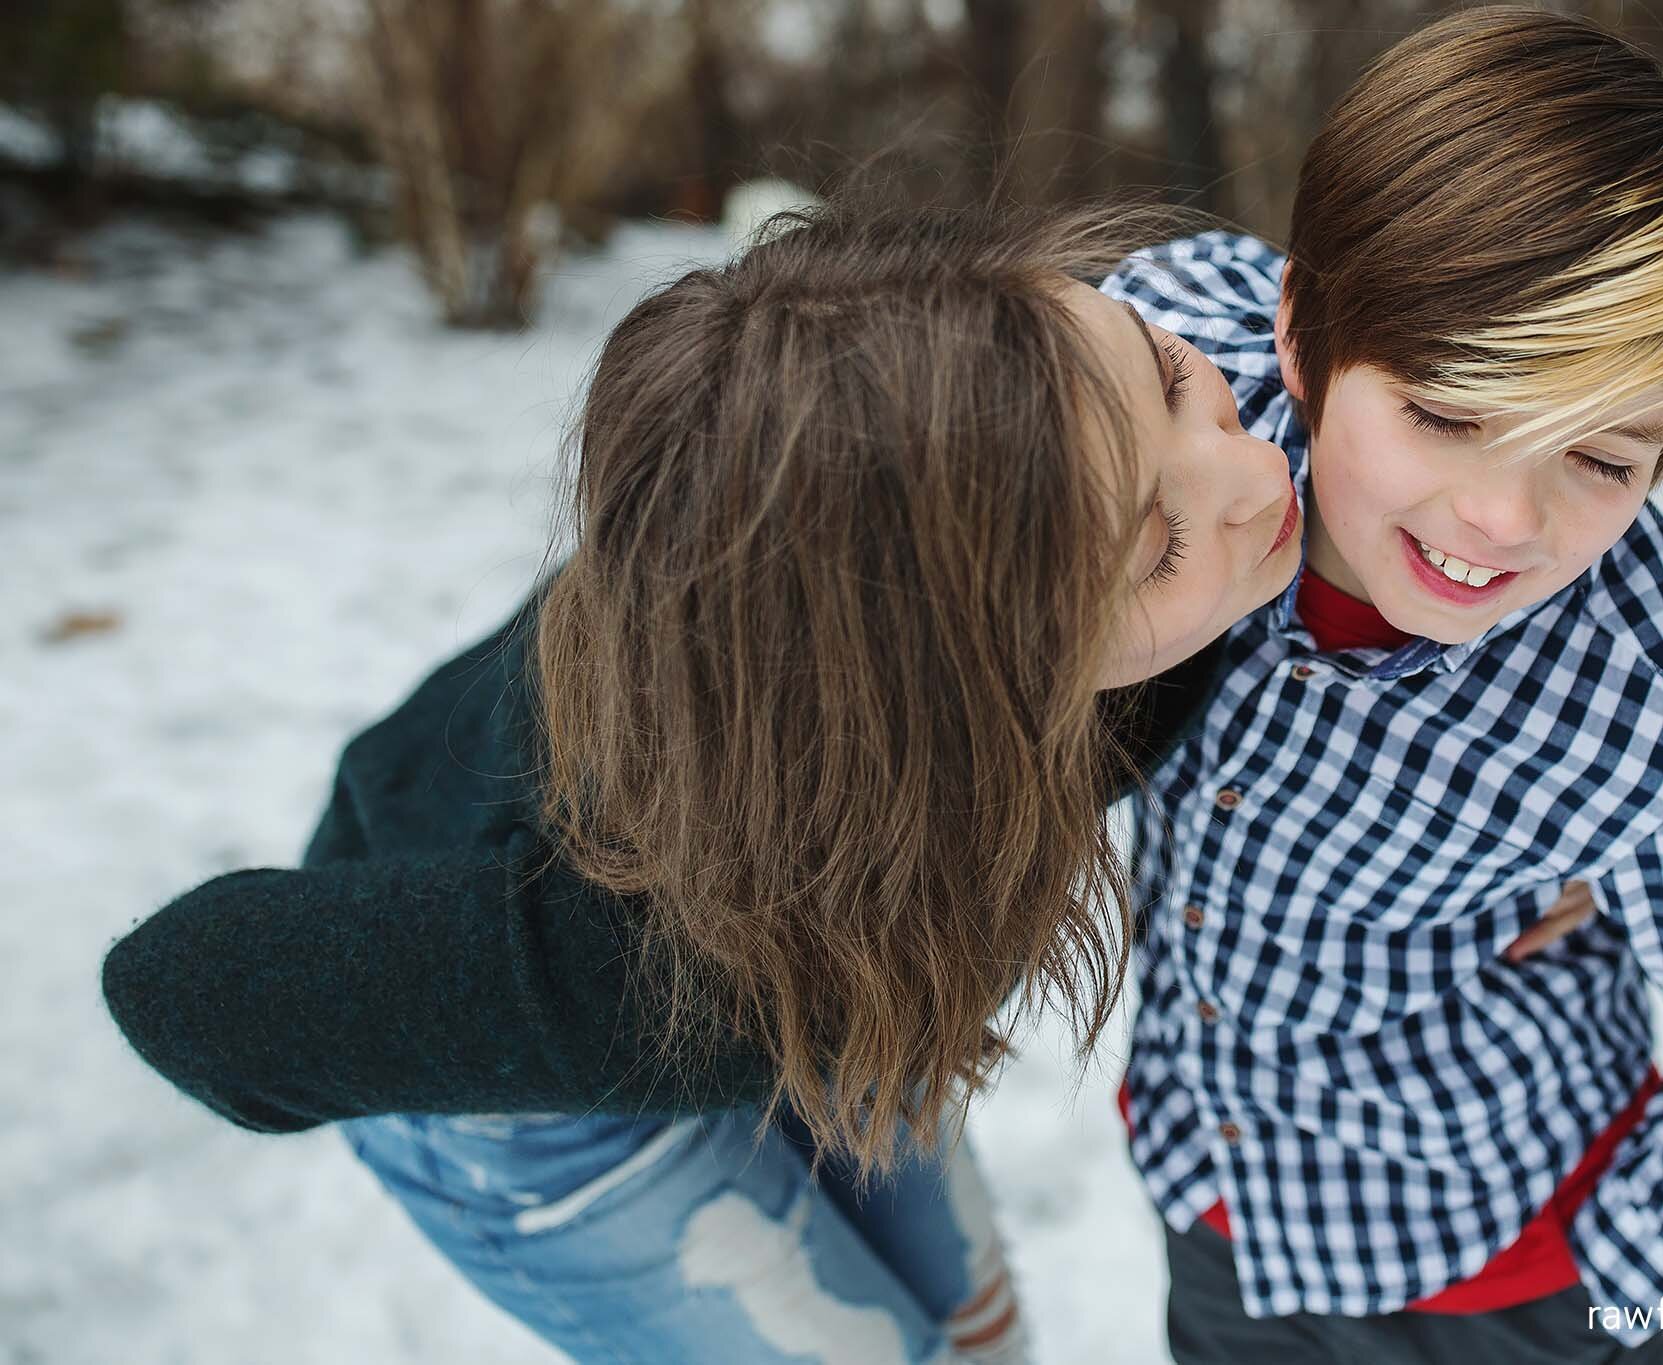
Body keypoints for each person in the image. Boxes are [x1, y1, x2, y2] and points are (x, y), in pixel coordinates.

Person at [100, 194, 1306, 1365]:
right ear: (933, 695)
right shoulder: (612, 974)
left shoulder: (933, 494)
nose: (1250, 476)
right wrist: (462, 1010)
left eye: (1173, 379)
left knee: (975, 1318)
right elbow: (179, 988)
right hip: (550, 1080)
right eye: (1156, 545)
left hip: (833, 926)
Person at [1101, 9, 1663, 1363]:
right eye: (1451, 411)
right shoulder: (1170, 368)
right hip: (1214, 1204)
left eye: (1603, 458)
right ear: (1302, 334)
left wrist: (1605, 1289)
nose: (1506, 519)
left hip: (1499, 1280)